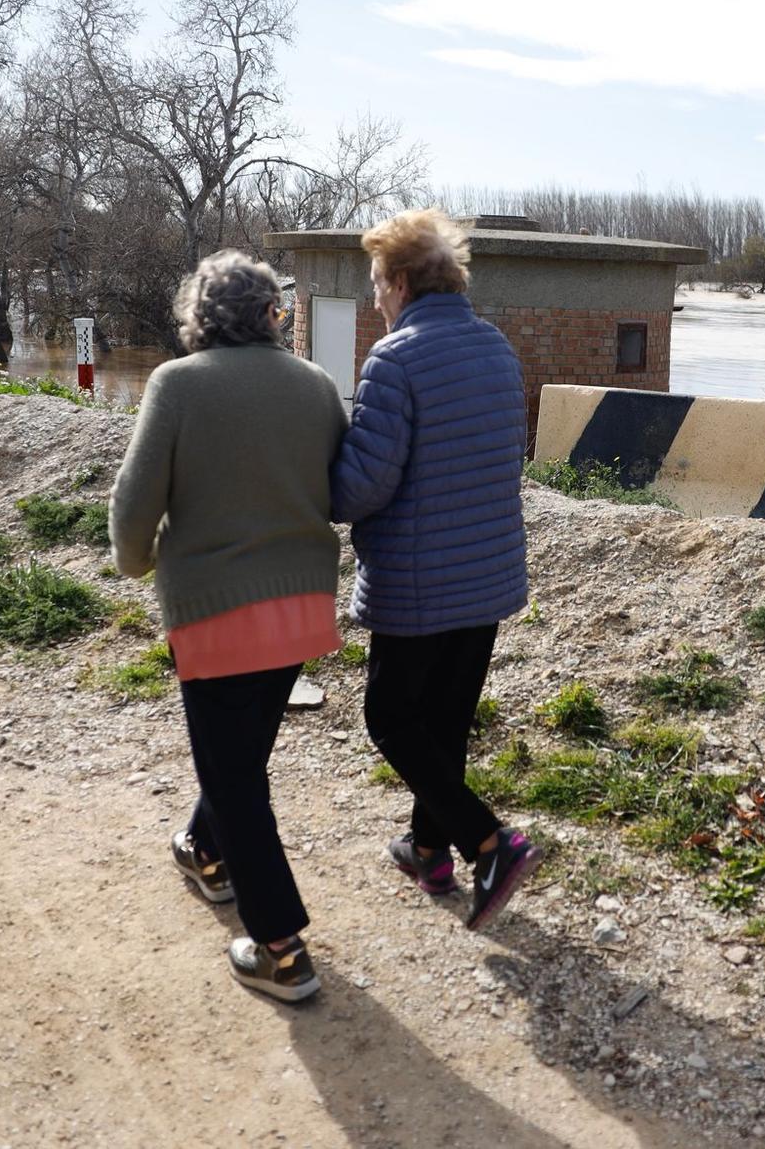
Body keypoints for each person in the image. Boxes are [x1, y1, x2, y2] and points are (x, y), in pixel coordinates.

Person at [110, 251, 346, 1003]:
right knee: (241, 755)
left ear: (201, 314)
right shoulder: (316, 386)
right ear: (273, 312)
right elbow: (337, 489)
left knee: (234, 775)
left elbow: (134, 501)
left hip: (214, 610)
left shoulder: (177, 384)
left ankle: (281, 947)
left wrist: (136, 561)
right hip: (302, 608)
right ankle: (205, 852)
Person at [332, 208, 543, 932]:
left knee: (390, 716)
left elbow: (364, 484)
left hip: (417, 579)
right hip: (485, 575)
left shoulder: (395, 360)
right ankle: (429, 849)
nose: (374, 300)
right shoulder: (497, 349)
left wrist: (315, 485)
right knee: (444, 722)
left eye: (375, 284)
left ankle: (491, 843)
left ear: (399, 282)